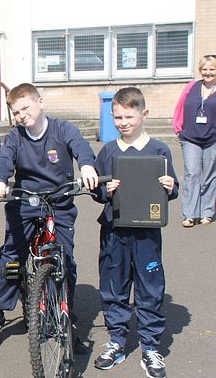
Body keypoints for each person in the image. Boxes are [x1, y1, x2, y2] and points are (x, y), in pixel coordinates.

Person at [0, 83, 98, 350]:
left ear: (40, 102)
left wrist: (86, 165)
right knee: (11, 257)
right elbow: (4, 160)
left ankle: (66, 318)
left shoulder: (63, 129)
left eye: (25, 108)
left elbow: (81, 147)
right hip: (25, 201)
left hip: (58, 201)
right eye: (16, 112)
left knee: (65, 261)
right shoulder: (15, 137)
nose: (22, 115)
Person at [92, 87, 177, 378]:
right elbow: (98, 193)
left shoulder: (159, 150)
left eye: (129, 116)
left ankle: (150, 347)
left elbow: (172, 189)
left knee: (150, 288)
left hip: (147, 234)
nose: (123, 122)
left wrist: (170, 187)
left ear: (144, 114)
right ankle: (116, 340)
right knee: (114, 286)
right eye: (117, 117)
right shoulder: (108, 151)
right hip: (114, 231)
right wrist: (105, 190)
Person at [172, 55, 216, 227]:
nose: (208, 73)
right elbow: (180, 107)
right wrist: (178, 129)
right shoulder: (191, 87)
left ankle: (207, 212)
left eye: (212, 69)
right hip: (191, 137)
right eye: (205, 69)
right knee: (192, 173)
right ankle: (190, 214)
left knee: (209, 176)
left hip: (213, 138)